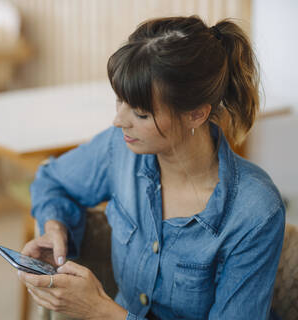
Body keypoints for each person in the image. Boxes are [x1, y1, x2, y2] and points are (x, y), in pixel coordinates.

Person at [17, 15, 285, 320]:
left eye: (141, 113)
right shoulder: (120, 149)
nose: (119, 120)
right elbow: (51, 180)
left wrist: (100, 310)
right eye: (120, 101)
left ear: (196, 114)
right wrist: (55, 228)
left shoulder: (255, 212)